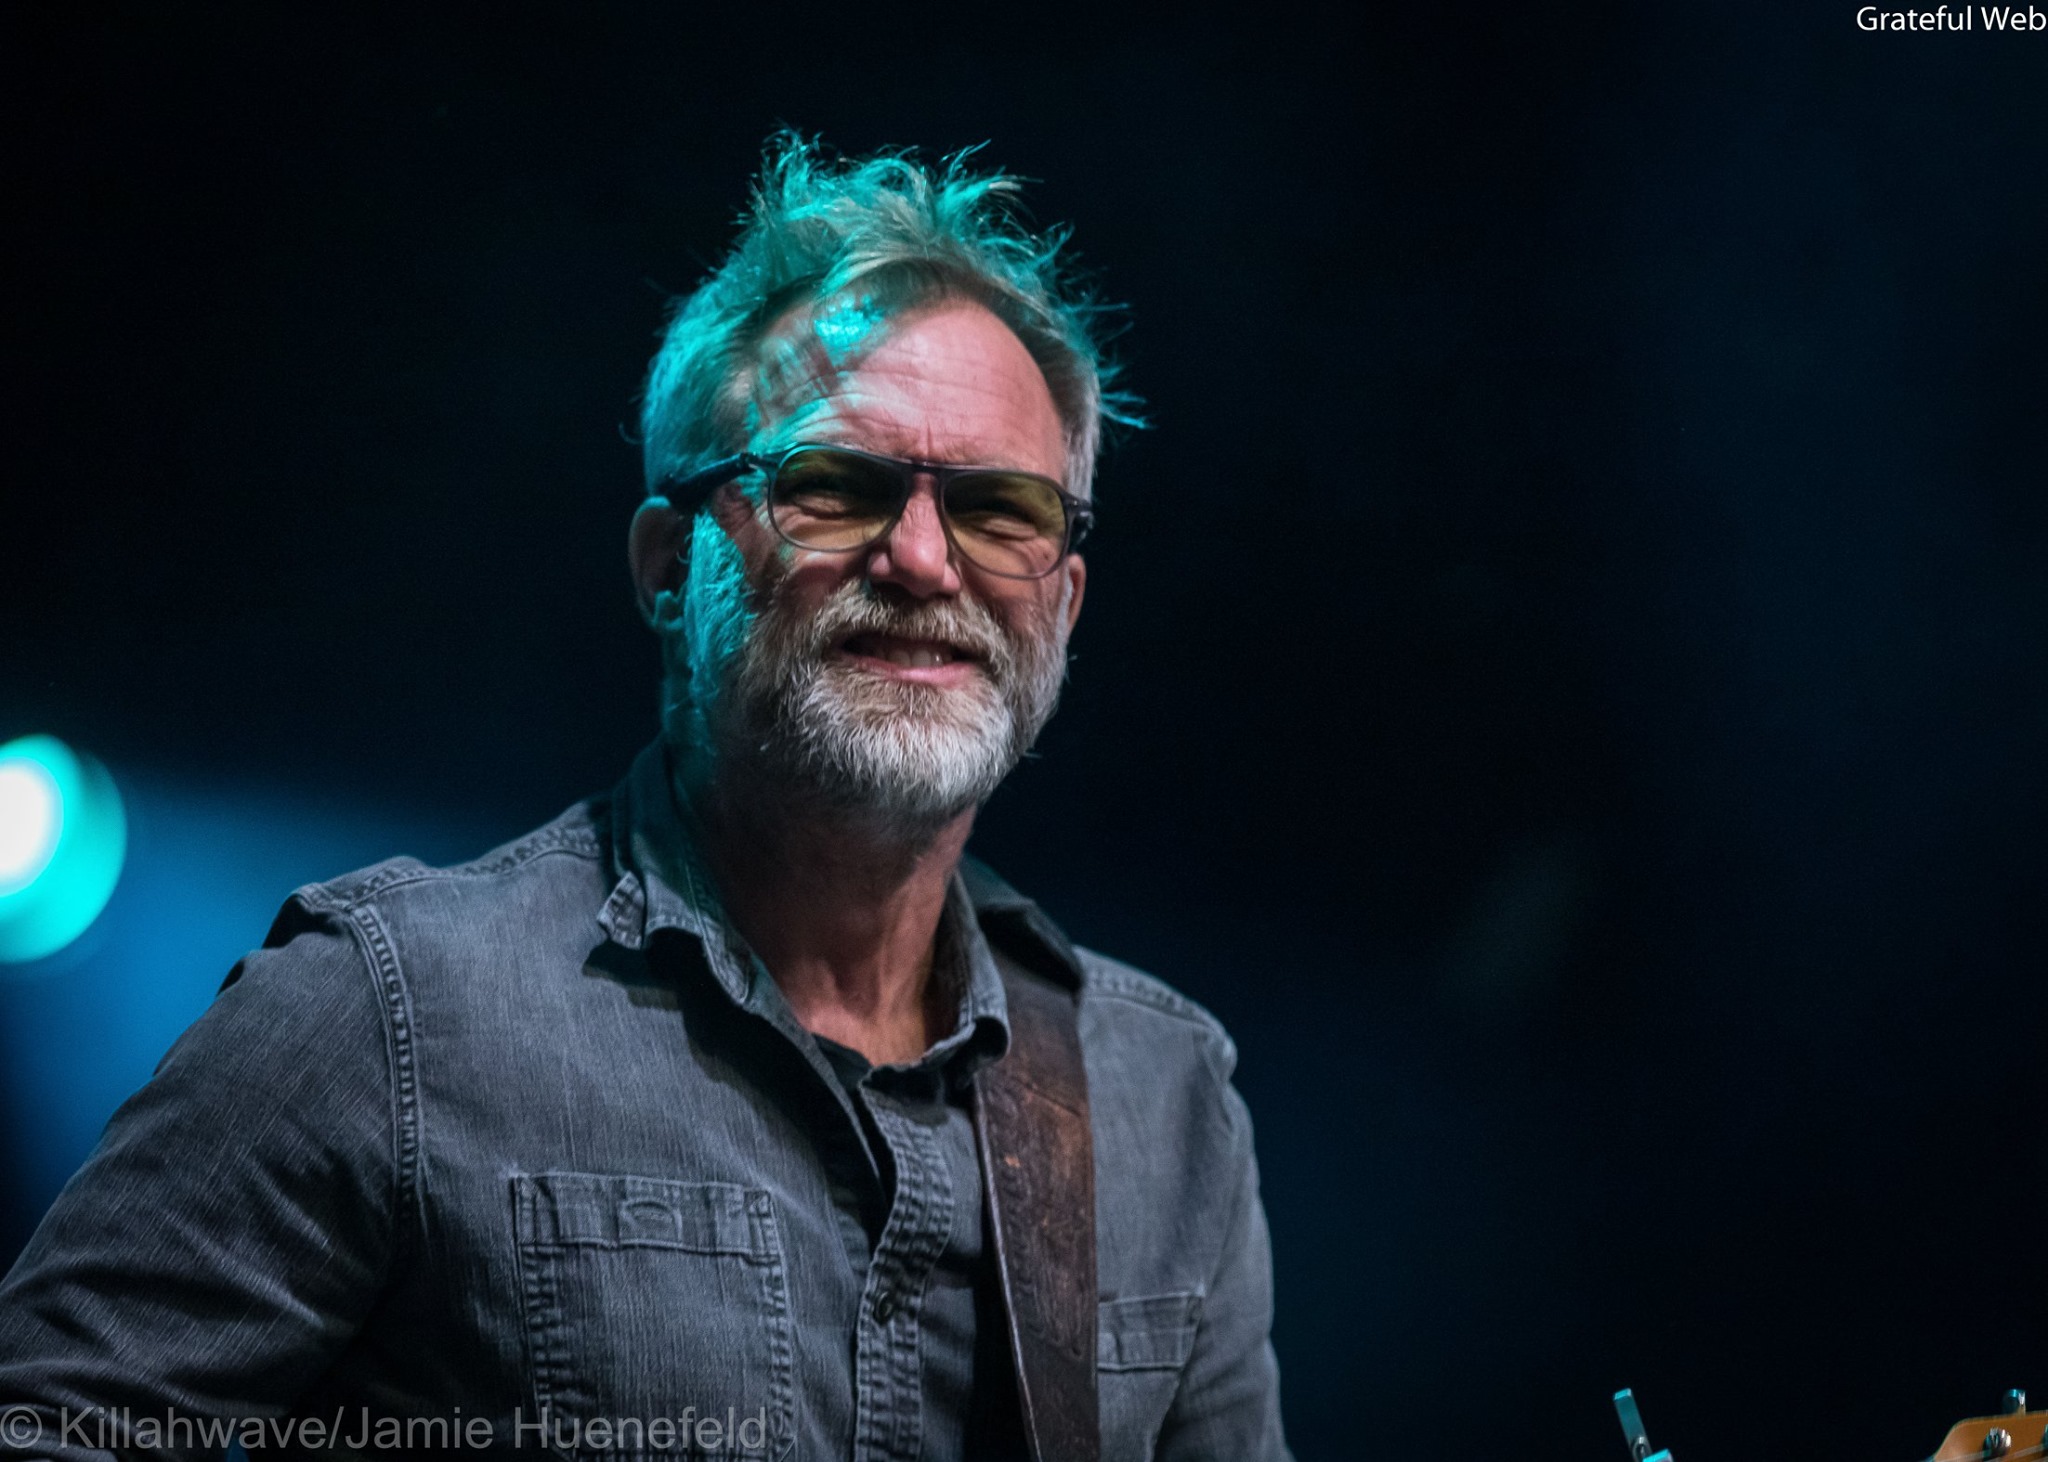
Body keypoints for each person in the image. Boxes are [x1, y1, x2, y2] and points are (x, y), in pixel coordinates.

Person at [0, 135, 1290, 1461]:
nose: (919, 555)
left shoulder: (1163, 1094)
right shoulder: (386, 1012)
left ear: (1063, 605)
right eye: (834, 485)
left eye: (1000, 509)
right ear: (672, 565)